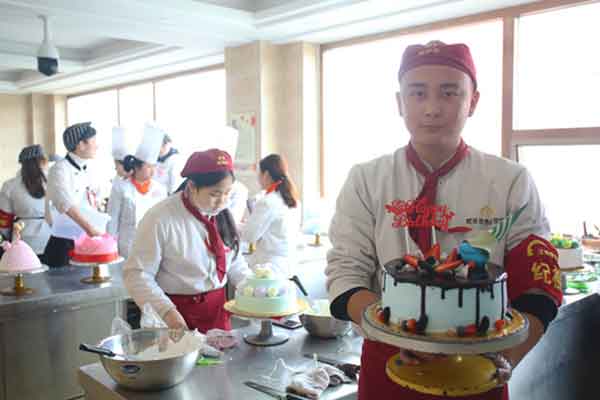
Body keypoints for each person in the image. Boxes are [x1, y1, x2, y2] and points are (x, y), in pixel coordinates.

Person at [326, 41, 562, 400]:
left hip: (481, 368)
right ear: (400, 102)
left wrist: (506, 358)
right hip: (387, 367)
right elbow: (345, 273)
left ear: (473, 101)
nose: (432, 108)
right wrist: (397, 332)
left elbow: (539, 282)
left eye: (449, 93)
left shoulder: (511, 181)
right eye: (417, 93)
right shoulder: (366, 180)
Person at [123, 148, 251, 332]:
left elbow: (234, 262)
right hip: (174, 315)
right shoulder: (160, 218)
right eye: (215, 194)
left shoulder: (221, 215)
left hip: (217, 312)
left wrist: (253, 289)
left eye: (227, 193)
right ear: (191, 187)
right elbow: (137, 274)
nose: (222, 201)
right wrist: (168, 314)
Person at [43, 122, 101, 268]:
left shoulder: (88, 169)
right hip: (64, 242)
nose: (97, 146)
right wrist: (90, 228)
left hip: (85, 239)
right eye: (94, 141)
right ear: (81, 145)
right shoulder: (59, 170)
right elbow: (66, 204)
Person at [107, 124, 167, 259]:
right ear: (137, 167)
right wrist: (111, 248)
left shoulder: (160, 189)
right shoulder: (121, 187)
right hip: (127, 247)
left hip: (153, 245)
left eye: (154, 166)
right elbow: (112, 219)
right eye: (149, 167)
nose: (153, 171)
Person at [241, 154, 301, 278]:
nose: (258, 179)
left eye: (259, 174)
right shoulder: (293, 199)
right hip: (288, 266)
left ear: (266, 175)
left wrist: (238, 226)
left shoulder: (267, 202)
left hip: (269, 268)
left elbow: (249, 236)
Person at [0, 145, 52, 257]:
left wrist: (6, 241)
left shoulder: (9, 186)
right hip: (52, 240)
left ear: (22, 164)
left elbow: (4, 221)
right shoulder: (54, 181)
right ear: (43, 161)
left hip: (22, 240)